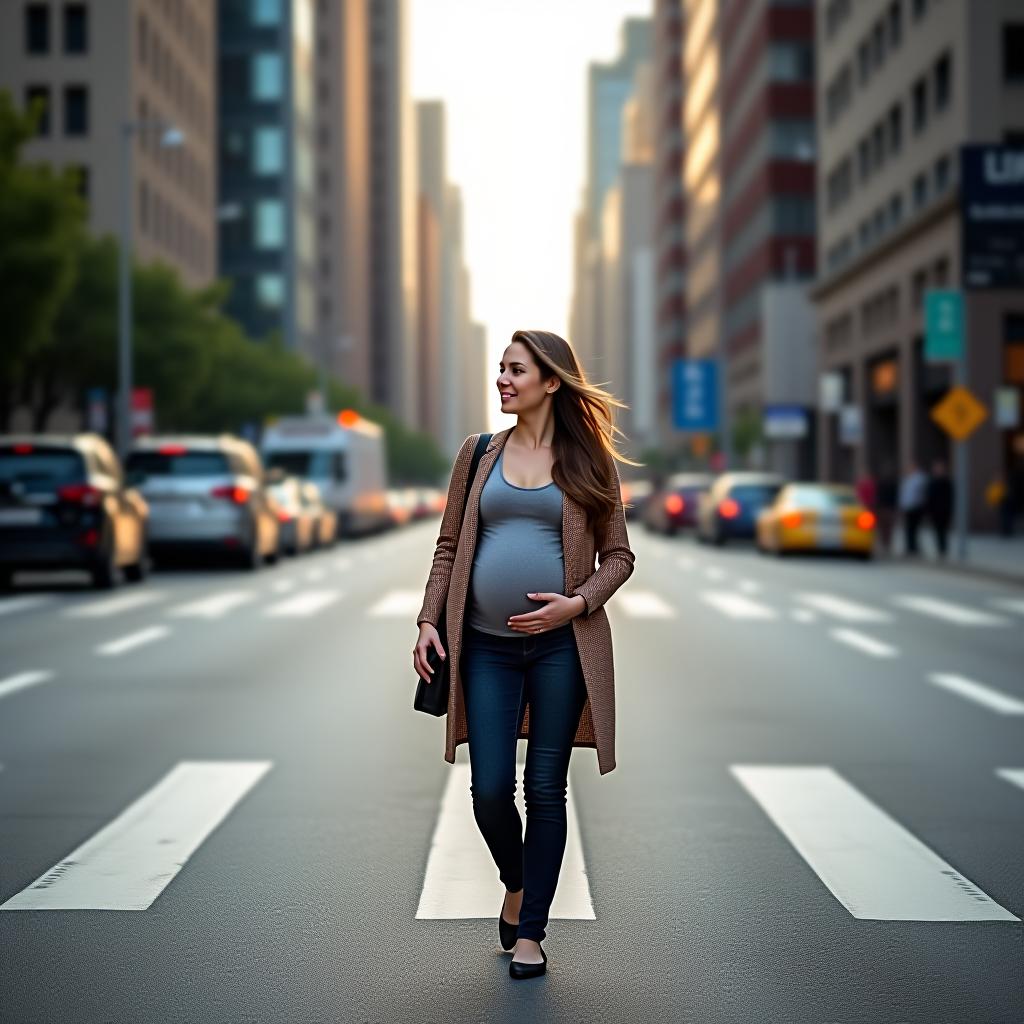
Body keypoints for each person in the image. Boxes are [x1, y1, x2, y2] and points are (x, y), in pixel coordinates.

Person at [413, 329, 636, 980]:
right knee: (488, 792)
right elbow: (448, 545)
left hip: (561, 649)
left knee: (545, 788)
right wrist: (429, 619)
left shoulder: (589, 461)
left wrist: (579, 602)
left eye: (516, 370)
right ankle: (516, 881)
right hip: (484, 645)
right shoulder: (478, 453)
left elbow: (619, 555)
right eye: (500, 369)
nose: (503, 380)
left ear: (551, 382)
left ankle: (532, 931)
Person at [925, 457, 954, 557]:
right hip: (935, 511)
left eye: (940, 468)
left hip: (944, 510)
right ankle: (940, 548)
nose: (938, 470)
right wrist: (929, 510)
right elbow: (929, 497)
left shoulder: (947, 482)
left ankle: (944, 548)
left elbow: (950, 497)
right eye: (936, 468)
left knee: (944, 530)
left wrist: (950, 509)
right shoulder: (932, 482)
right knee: (937, 530)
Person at [899, 460, 928, 555]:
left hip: (916, 507)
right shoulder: (908, 478)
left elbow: (922, 493)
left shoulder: (920, 478)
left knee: (915, 529)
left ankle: (915, 547)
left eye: (911, 467)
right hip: (908, 507)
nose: (909, 469)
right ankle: (910, 547)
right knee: (909, 529)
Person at [875, 460, 898, 555]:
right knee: (883, 528)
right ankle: (884, 544)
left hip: (888, 508)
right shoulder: (881, 483)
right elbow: (878, 495)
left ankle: (887, 544)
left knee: (888, 528)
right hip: (883, 508)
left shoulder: (892, 483)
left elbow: (895, 496)